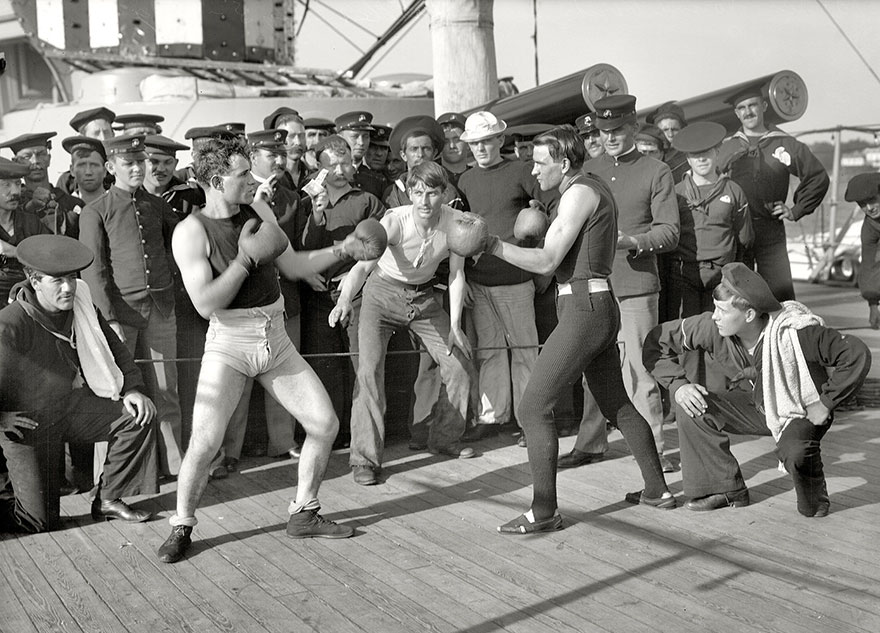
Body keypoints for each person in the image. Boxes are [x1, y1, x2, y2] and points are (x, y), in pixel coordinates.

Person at [157, 136, 378, 563]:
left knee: (324, 423)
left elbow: (292, 265)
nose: (252, 181)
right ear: (218, 181)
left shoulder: (255, 210)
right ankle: (182, 524)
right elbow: (205, 304)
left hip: (274, 335)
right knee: (204, 443)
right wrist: (243, 262)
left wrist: (342, 249)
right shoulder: (190, 231)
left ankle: (304, 511)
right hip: (230, 340)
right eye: (242, 175)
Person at [472, 126, 672, 533]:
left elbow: (546, 261)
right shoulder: (585, 188)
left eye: (540, 162)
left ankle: (543, 511)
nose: (534, 169)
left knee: (532, 408)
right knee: (616, 403)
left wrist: (491, 245)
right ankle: (657, 491)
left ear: (563, 163)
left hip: (584, 305)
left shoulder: (578, 192)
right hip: (588, 303)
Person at [643, 262, 870, 516]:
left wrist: (826, 403)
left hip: (801, 409)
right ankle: (726, 489)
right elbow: (657, 342)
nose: (715, 316)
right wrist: (678, 386)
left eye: (722, 311)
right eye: (715, 308)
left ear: (749, 314)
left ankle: (814, 491)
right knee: (692, 405)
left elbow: (855, 353)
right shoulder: (714, 327)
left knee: (799, 465)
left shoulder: (796, 332)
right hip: (758, 403)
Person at [330, 161, 475, 485]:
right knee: (368, 373)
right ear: (409, 192)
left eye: (433, 193)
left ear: (444, 194)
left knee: (460, 366)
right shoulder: (395, 221)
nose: (425, 201)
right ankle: (364, 460)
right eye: (418, 192)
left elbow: (456, 274)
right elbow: (361, 268)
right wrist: (343, 300)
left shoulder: (455, 222)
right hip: (381, 295)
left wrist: (454, 326)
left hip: (422, 298)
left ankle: (443, 439)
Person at [0, 235, 157, 533]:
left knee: (137, 417)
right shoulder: (10, 324)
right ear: (34, 280)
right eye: (57, 280)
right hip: (27, 424)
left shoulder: (81, 305)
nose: (69, 287)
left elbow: (115, 350)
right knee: (37, 522)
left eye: (72, 277)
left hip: (67, 408)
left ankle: (108, 498)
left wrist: (133, 389)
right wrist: (2, 419)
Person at [560, 95, 679, 471]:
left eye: (617, 130)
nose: (609, 137)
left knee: (640, 371)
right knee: (591, 368)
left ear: (633, 127)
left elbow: (670, 231)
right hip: (592, 285)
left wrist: (633, 241)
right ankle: (591, 443)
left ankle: (654, 454)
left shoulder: (655, 170)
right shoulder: (588, 171)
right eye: (603, 130)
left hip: (635, 284)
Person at [79, 133, 184, 479]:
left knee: (167, 390)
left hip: (160, 308)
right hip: (120, 316)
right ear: (111, 167)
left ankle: (175, 466)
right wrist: (109, 318)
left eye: (142, 162)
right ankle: (107, 478)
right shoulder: (96, 211)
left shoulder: (156, 205)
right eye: (130, 163)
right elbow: (94, 271)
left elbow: (179, 241)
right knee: (115, 395)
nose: (139, 168)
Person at [456, 111, 556, 443]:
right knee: (490, 350)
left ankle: (531, 420)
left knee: (526, 350)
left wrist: (546, 263)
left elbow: (551, 213)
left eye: (487, 141)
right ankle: (492, 416)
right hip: (479, 278)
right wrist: (464, 280)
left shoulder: (521, 171)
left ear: (501, 140)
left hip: (516, 276)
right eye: (475, 143)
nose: (481, 148)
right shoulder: (466, 180)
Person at [299, 135, 385, 448]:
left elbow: (380, 246)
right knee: (325, 366)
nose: (339, 169)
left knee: (360, 365)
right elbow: (300, 248)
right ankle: (331, 432)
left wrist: (356, 276)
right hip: (318, 295)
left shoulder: (366, 201)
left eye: (344, 162)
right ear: (317, 166)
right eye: (331, 163)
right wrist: (317, 214)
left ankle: (362, 437)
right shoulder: (307, 201)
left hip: (358, 292)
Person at [717, 84, 829, 302]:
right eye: (742, 108)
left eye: (753, 105)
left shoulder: (785, 143)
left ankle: (784, 333)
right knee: (738, 292)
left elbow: (818, 177)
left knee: (780, 291)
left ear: (764, 106)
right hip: (736, 230)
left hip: (770, 229)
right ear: (736, 113)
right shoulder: (727, 147)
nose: (748, 112)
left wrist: (796, 210)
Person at [668, 122, 753, 317]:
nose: (701, 159)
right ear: (687, 159)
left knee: (720, 333)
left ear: (717, 152)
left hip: (722, 276)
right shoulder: (676, 193)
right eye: (694, 154)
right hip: (683, 274)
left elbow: (745, 238)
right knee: (687, 333)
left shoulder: (733, 191)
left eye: (706, 152)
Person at [0, 132, 82, 237]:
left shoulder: (71, 203)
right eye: (26, 157)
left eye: (41, 154)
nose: (35, 161)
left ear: (49, 158)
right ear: (15, 162)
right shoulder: (10, 206)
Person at [0, 158, 49, 303]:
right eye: (6, 185)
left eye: (17, 183)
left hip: (28, 306)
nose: (15, 191)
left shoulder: (31, 223)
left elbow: (51, 260)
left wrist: (15, 253)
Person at [844, 172, 880, 329]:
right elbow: (869, 265)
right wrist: (873, 305)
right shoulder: (869, 228)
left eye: (872, 200)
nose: (869, 208)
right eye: (862, 204)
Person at [142, 135, 205, 219]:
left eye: (168, 162)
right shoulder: (130, 195)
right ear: (141, 163)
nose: (161, 169)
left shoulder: (189, 197)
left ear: (175, 164)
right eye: (154, 161)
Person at [56, 107, 116, 194]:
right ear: (82, 138)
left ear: (113, 135)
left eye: (106, 132)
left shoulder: (121, 174)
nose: (103, 138)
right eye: (96, 133)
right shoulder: (67, 182)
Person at [335, 110, 387, 199]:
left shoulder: (378, 180)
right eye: (355, 137)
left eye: (366, 136)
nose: (361, 142)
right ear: (340, 138)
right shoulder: (327, 176)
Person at [263, 107, 312, 192]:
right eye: (291, 136)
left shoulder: (312, 175)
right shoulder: (270, 176)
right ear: (278, 139)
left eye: (301, 136)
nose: (298, 142)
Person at [61, 136, 109, 206]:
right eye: (81, 165)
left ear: (105, 170)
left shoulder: (118, 205)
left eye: (94, 165)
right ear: (72, 170)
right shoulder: (64, 209)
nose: (88, 172)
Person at [437, 112, 471, 187]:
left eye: (457, 140)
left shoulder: (478, 178)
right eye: (446, 141)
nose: (452, 146)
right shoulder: (433, 180)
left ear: (468, 143)